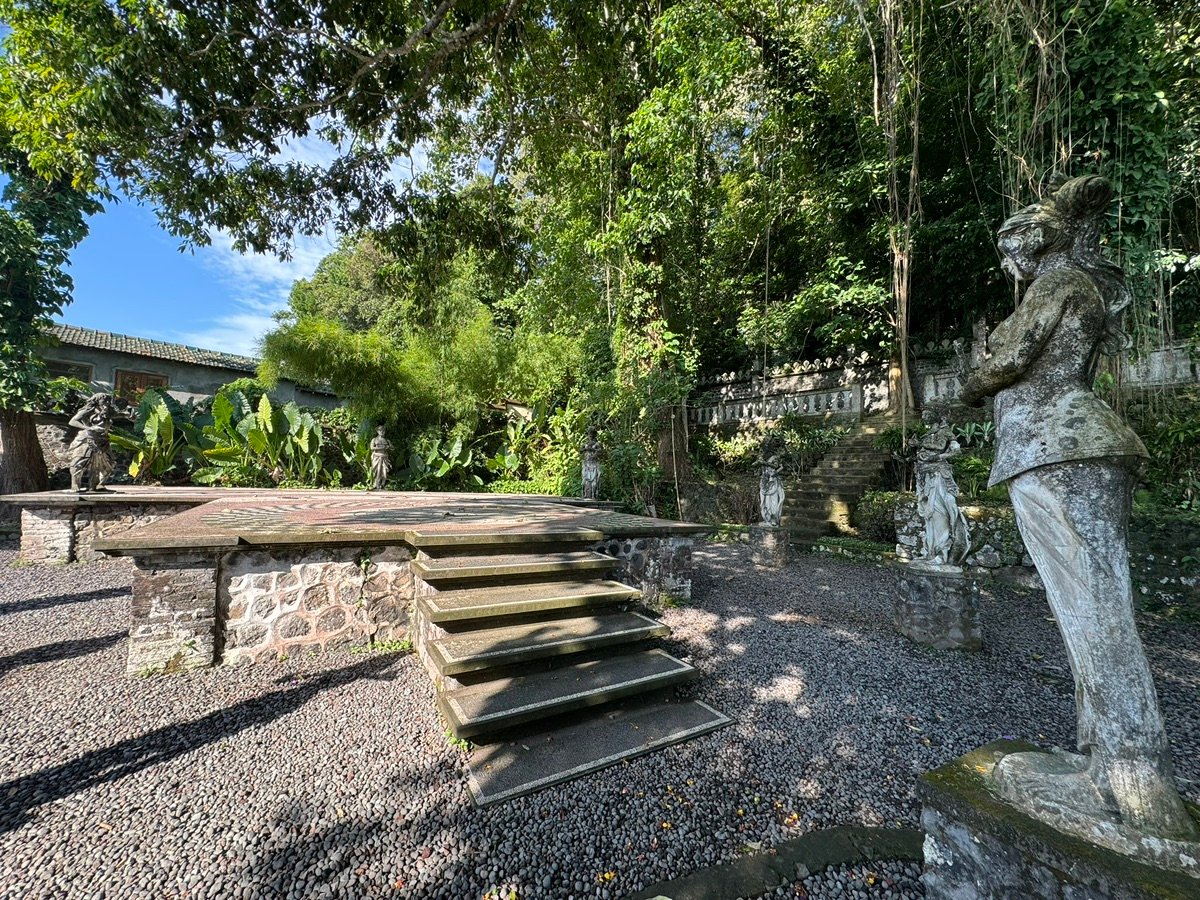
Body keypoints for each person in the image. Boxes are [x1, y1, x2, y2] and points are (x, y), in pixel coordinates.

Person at [960, 174, 1197, 841]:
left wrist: (976, 369)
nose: (1007, 263)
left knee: (1095, 616)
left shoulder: (1055, 285)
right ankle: (1104, 760)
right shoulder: (1077, 286)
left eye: (1010, 249)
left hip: (1056, 448)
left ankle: (1134, 772)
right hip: (1070, 446)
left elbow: (1000, 364)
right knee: (1089, 612)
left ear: (1035, 243)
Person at [913, 417, 969, 567]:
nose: (924, 414)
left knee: (939, 512)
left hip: (939, 476)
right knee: (929, 516)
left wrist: (937, 456)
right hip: (926, 476)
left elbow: (953, 450)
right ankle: (930, 551)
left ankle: (942, 553)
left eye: (928, 411)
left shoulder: (945, 432)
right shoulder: (930, 432)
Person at [67, 393, 117, 492]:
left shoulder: (108, 411)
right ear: (97, 400)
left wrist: (131, 415)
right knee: (78, 463)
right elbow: (72, 421)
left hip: (103, 441)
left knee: (107, 464)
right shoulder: (88, 410)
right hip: (87, 439)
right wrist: (90, 428)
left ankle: (96, 485)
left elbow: (122, 415)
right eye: (105, 400)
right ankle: (75, 486)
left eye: (108, 400)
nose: (107, 402)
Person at [369, 425, 392, 491]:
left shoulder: (386, 440)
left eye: (383, 430)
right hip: (377, 457)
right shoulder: (374, 440)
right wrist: (382, 448)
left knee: (384, 471)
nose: (382, 432)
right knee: (377, 471)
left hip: (384, 456)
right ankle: (377, 484)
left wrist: (389, 446)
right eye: (380, 430)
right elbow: (372, 448)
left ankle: (382, 484)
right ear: (377, 431)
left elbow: (392, 448)